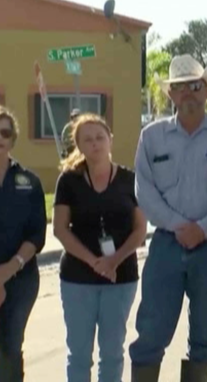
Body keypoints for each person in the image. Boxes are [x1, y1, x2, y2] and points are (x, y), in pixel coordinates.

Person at [129, 54, 207, 382]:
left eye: (195, 87)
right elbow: (145, 191)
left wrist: (204, 228)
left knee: (205, 338)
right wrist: (180, 226)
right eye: (180, 88)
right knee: (150, 334)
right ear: (170, 95)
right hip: (166, 244)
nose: (188, 94)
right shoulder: (151, 137)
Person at [52, 113, 147, 382]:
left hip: (121, 276)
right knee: (79, 355)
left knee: (112, 352)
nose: (95, 144)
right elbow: (60, 229)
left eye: (100, 137)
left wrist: (114, 261)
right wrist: (96, 262)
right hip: (77, 279)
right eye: (88, 139)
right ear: (79, 146)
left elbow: (140, 229)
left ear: (110, 140)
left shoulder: (130, 180)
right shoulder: (68, 181)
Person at [0, 106, 46, 382]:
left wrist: (8, 270)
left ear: (12, 138)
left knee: (10, 346)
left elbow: (37, 234)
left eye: (5, 132)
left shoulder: (28, 182)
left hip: (20, 278)